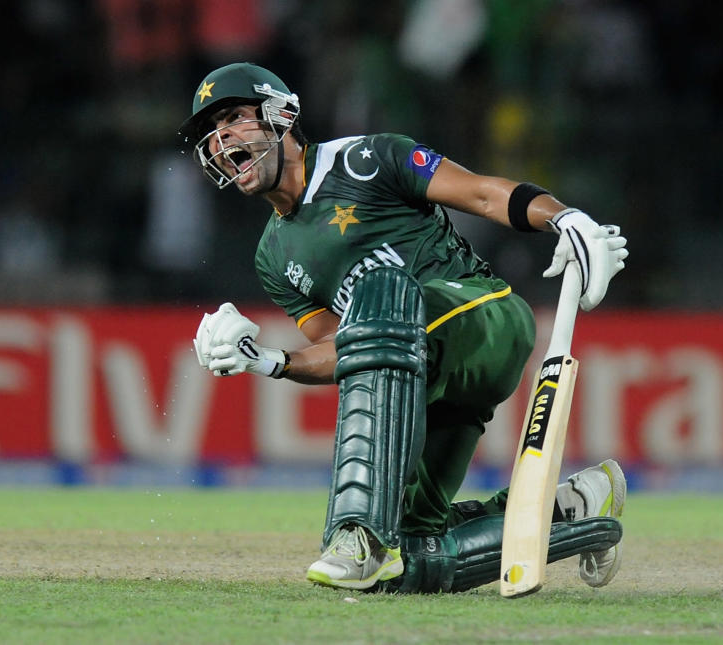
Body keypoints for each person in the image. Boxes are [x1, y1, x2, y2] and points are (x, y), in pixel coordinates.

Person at [182, 63, 629, 593]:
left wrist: (563, 216)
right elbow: (342, 350)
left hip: (483, 317)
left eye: (234, 117)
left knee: (384, 292)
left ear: (281, 114)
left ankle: (360, 535)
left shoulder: (366, 158)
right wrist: (271, 360)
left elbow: (484, 194)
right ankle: (572, 508)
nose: (222, 137)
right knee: (415, 556)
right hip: (418, 380)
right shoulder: (272, 257)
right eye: (212, 132)